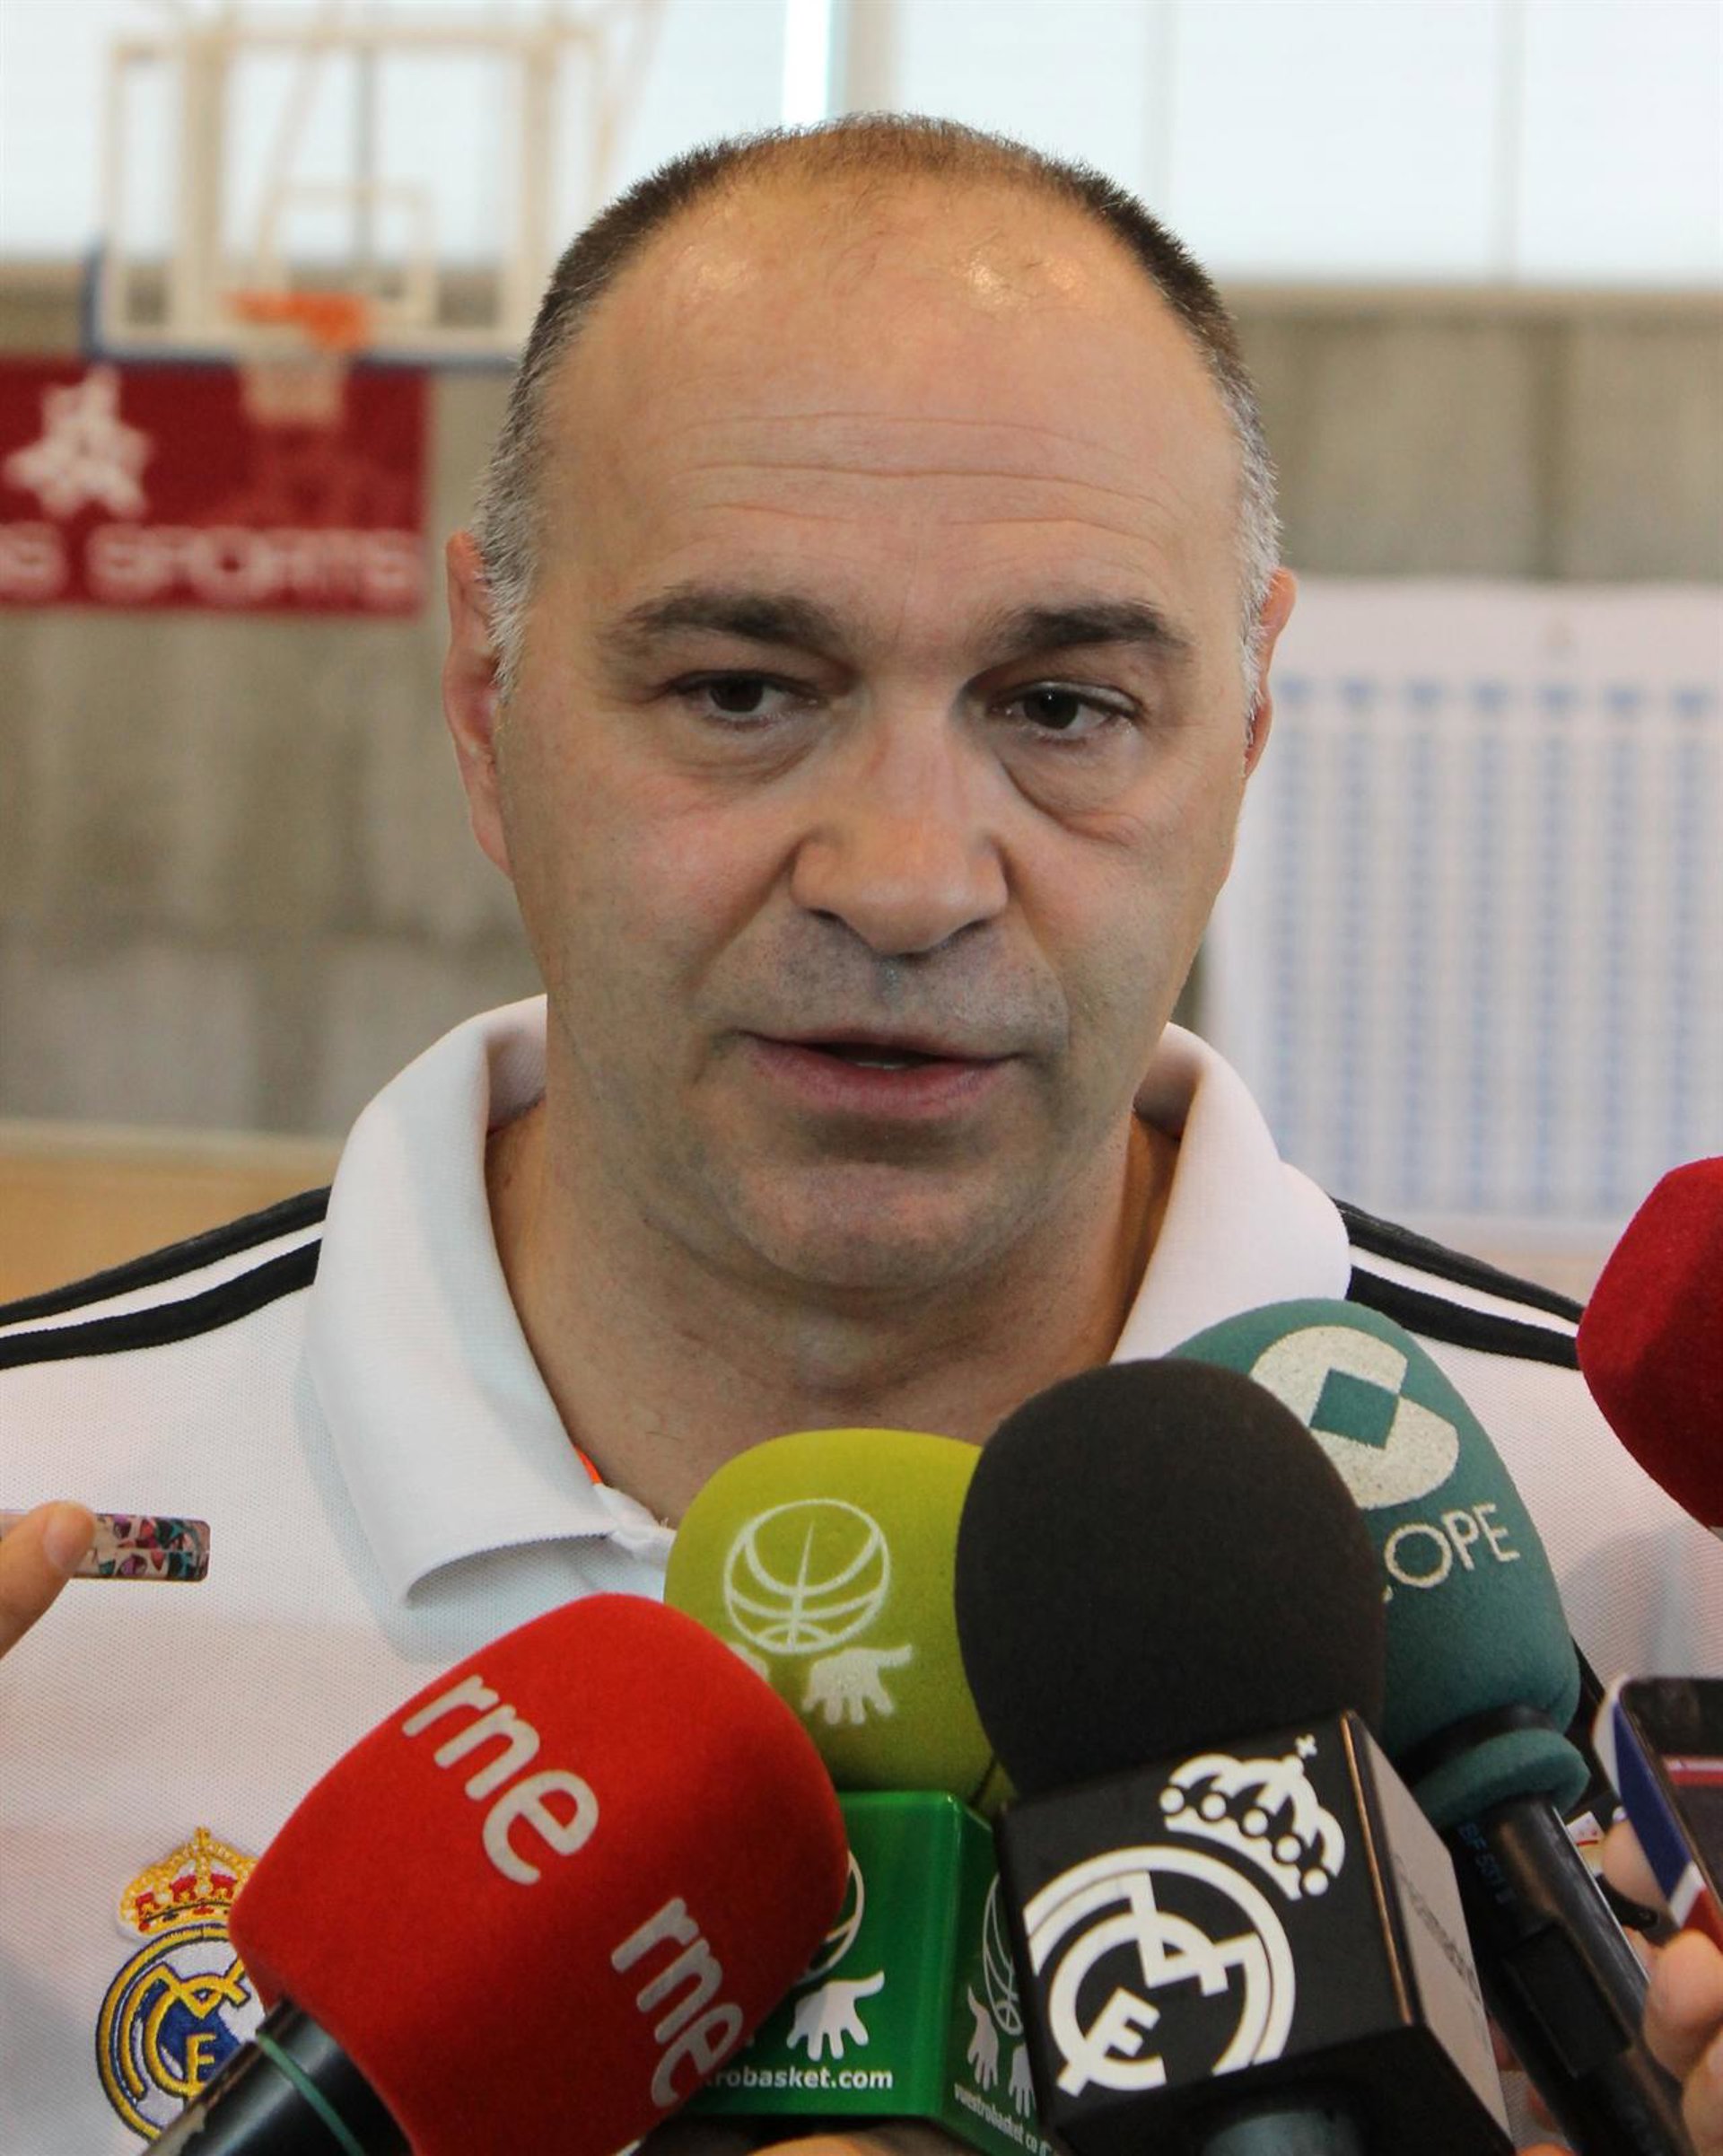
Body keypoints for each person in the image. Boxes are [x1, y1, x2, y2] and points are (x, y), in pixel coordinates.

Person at [2, 116, 1719, 2153]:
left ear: (1248, 727)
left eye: (1061, 708)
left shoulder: (1652, 1563)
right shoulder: (36, 1527)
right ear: (482, 693)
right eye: (743, 691)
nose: (907, 878)